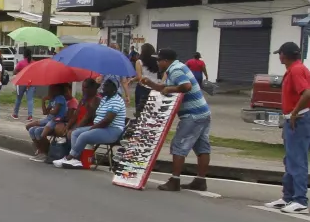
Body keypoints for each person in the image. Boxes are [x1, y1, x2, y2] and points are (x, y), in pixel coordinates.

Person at [141, 47, 211, 192]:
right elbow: (164, 87)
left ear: (165, 61)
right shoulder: (178, 67)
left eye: (159, 60)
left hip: (192, 114)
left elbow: (186, 86)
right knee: (202, 147)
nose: (157, 63)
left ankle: (175, 180)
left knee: (179, 145)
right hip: (203, 112)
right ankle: (201, 180)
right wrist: (151, 84)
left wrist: (170, 90)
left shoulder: (176, 70)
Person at [266, 42, 310, 214]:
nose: (279, 57)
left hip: (299, 119)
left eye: (280, 54)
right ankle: (287, 196)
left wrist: (294, 113)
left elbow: (307, 92)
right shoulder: (296, 69)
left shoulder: (296, 70)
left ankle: (300, 199)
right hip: (294, 119)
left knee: (297, 159)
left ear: (284, 55)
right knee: (290, 159)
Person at [54, 79, 126, 169]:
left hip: (112, 130)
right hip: (101, 127)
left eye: (106, 86)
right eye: (104, 85)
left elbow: (107, 120)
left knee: (84, 135)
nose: (103, 88)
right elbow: (98, 115)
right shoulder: (105, 99)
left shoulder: (116, 101)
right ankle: (76, 159)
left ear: (114, 89)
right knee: (75, 132)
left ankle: (69, 158)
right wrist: (90, 108)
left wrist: (93, 128)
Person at [26, 84, 69, 162]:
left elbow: (55, 111)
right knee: (31, 129)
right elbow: (45, 112)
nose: (49, 91)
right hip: (49, 119)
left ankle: (45, 152)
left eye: (51, 89)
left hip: (56, 120)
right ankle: (40, 151)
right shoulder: (52, 99)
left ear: (57, 90)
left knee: (39, 131)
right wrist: (43, 101)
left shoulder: (60, 98)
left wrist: (50, 111)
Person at [133, 43, 160, 118]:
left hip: (143, 86)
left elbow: (139, 77)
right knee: (152, 109)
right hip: (154, 86)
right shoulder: (157, 61)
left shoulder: (139, 62)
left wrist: (133, 80)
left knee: (140, 108)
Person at [11, 49, 35, 120]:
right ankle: (30, 115)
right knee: (30, 99)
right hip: (31, 83)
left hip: (21, 82)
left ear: (24, 55)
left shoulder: (21, 63)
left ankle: (15, 114)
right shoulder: (33, 63)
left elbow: (14, 72)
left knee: (19, 98)